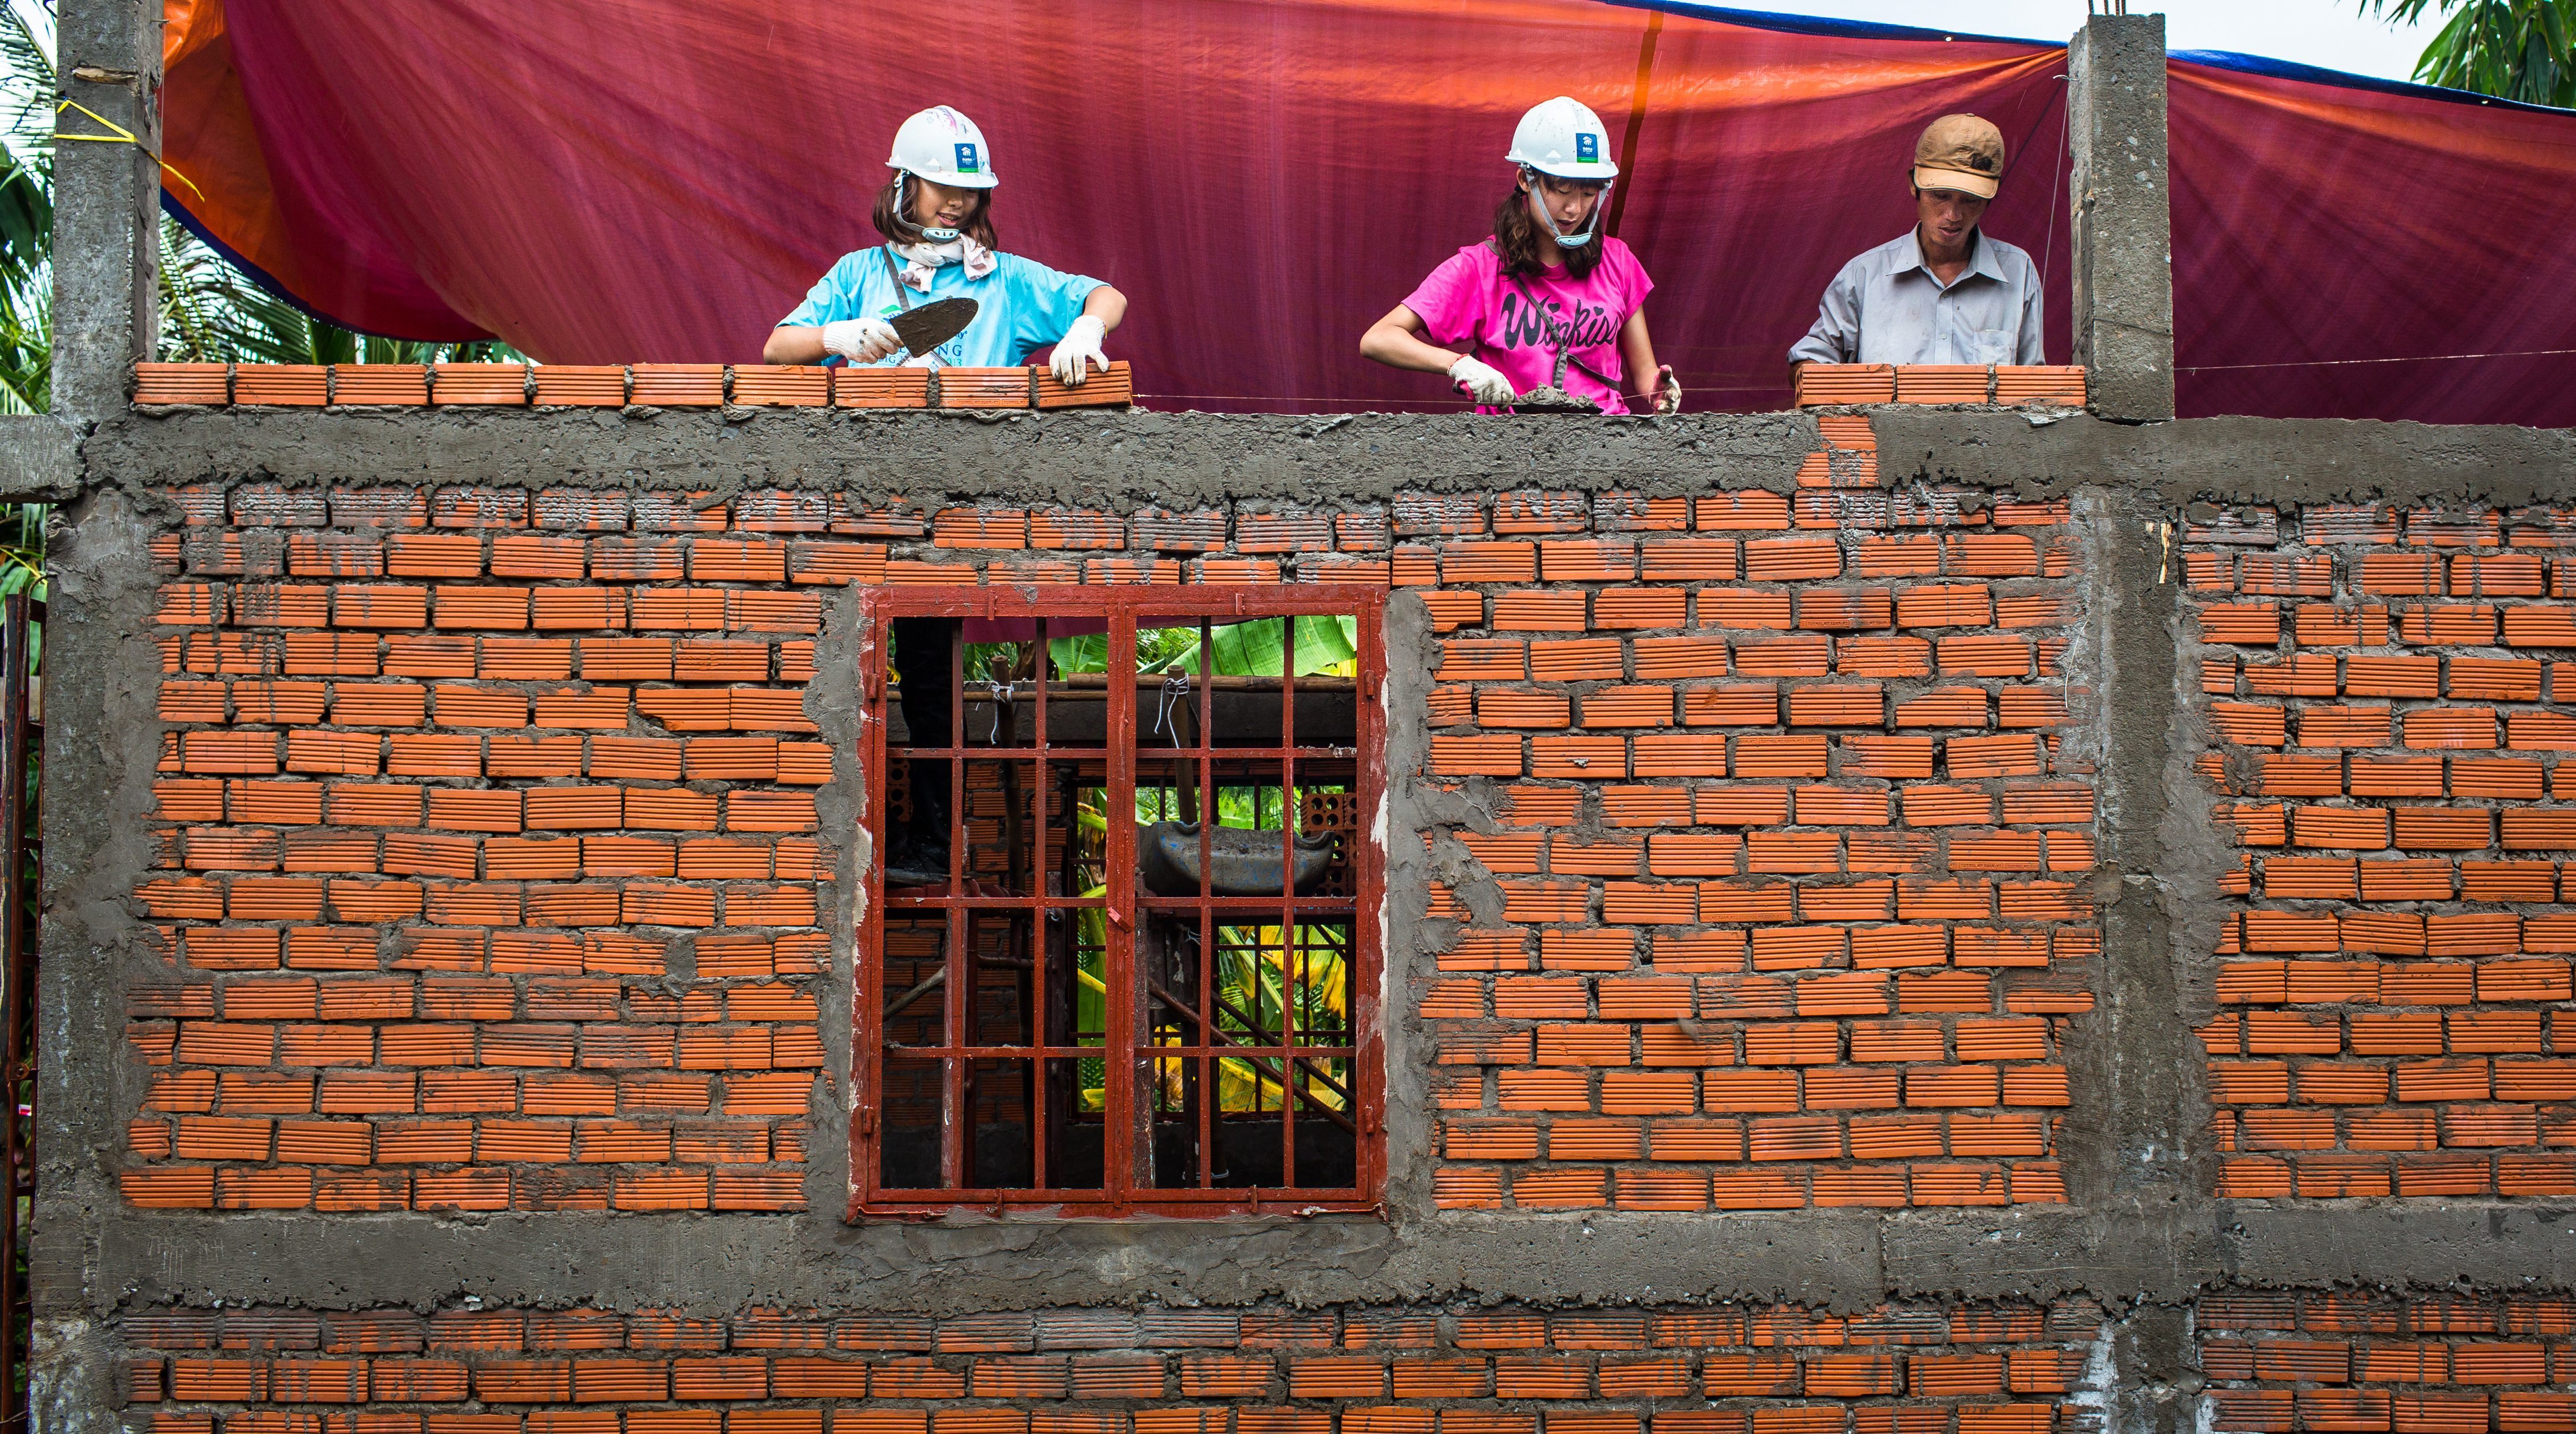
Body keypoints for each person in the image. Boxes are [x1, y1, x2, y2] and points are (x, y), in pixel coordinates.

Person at [1361, 97, 1678, 416]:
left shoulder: (1618, 260)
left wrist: (1658, 390)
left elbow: (1644, 376)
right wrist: (1459, 365)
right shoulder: (1479, 267)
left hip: (1604, 448)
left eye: (1588, 193)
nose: (1575, 209)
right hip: (1511, 453)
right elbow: (1378, 339)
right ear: (1527, 180)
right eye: (1563, 190)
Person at [765, 105, 1127, 384]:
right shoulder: (857, 272)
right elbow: (776, 351)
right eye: (943, 187)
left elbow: (1109, 297)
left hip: (982, 468)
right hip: (874, 467)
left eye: (970, 191)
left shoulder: (1006, 279)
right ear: (905, 184)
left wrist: (1087, 330)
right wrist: (836, 337)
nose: (957, 203)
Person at [1789, 114, 2044, 371]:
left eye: (1970, 200)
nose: (1953, 215)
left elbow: (2034, 388)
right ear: (1914, 185)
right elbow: (1808, 363)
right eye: (1940, 196)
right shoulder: (1864, 276)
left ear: (1991, 197)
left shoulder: (2019, 272)